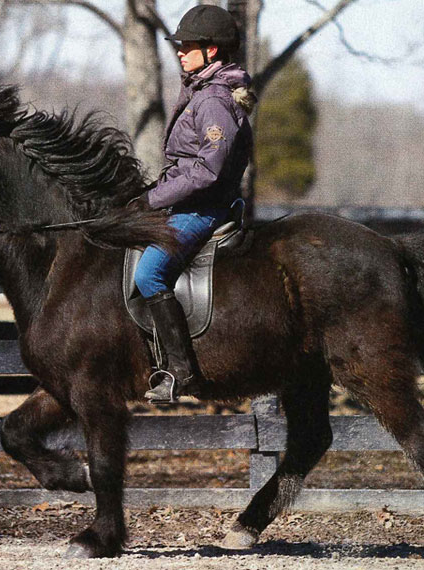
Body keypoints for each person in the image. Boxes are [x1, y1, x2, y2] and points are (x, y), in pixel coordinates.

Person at [132, 5, 255, 403]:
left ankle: (181, 372)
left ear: (212, 51)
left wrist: (151, 199)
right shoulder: (199, 91)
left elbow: (207, 171)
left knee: (149, 273)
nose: (181, 52)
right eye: (180, 45)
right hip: (185, 202)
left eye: (189, 46)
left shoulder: (215, 101)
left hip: (202, 209)